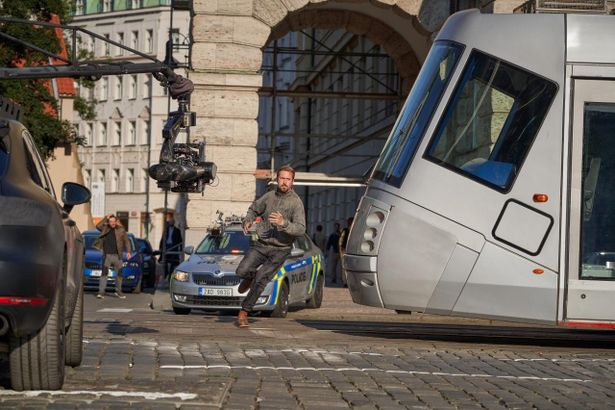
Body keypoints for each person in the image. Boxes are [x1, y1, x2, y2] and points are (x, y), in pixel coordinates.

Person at [235, 165, 306, 328]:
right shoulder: (268, 197)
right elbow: (253, 209)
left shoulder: (296, 203)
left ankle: (244, 312)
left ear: (292, 182)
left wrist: (284, 223)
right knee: (241, 271)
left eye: (288, 179)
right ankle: (249, 276)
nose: (284, 182)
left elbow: (301, 229)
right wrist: (248, 220)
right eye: (282, 178)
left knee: (262, 279)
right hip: (261, 245)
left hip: (281, 249)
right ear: (277, 179)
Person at [95, 214, 131, 299]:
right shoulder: (105, 228)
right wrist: (105, 218)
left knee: (119, 274)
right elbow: (97, 226)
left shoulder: (121, 230)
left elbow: (126, 241)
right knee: (104, 274)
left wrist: (129, 252)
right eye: (110, 221)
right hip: (107, 255)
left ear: (116, 221)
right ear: (109, 222)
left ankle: (118, 291)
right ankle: (101, 292)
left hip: (117, 256)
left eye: (114, 221)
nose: (112, 223)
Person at [159, 214, 183, 279]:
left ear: (174, 223)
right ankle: (166, 273)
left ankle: (170, 275)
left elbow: (180, 241)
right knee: (165, 261)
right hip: (167, 247)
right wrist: (160, 248)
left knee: (173, 262)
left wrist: (180, 250)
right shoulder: (166, 230)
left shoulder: (177, 230)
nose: (171, 223)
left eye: (172, 222)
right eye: (170, 222)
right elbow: (162, 239)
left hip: (173, 247)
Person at [338, 217, 354, 287]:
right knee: (344, 267)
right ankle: (345, 282)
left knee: (352, 267)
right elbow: (341, 241)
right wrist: (340, 250)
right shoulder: (345, 230)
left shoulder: (355, 230)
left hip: (353, 251)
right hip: (344, 250)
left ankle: (351, 282)